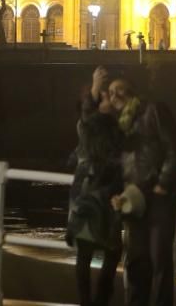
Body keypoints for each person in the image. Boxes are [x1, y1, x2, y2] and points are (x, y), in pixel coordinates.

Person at [86, 67, 176, 306]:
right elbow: (93, 137)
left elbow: (175, 149)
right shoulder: (117, 124)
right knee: (136, 261)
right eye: (110, 92)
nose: (115, 95)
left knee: (160, 260)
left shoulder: (153, 110)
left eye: (120, 89)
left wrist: (163, 184)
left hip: (158, 198)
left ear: (132, 91)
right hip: (132, 198)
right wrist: (117, 194)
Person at [66, 93, 124, 306]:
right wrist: (94, 89)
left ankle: (90, 301)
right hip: (98, 194)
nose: (111, 98)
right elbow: (85, 119)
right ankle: (97, 300)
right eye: (107, 96)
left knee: (92, 251)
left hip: (90, 194)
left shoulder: (104, 128)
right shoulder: (94, 128)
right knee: (108, 249)